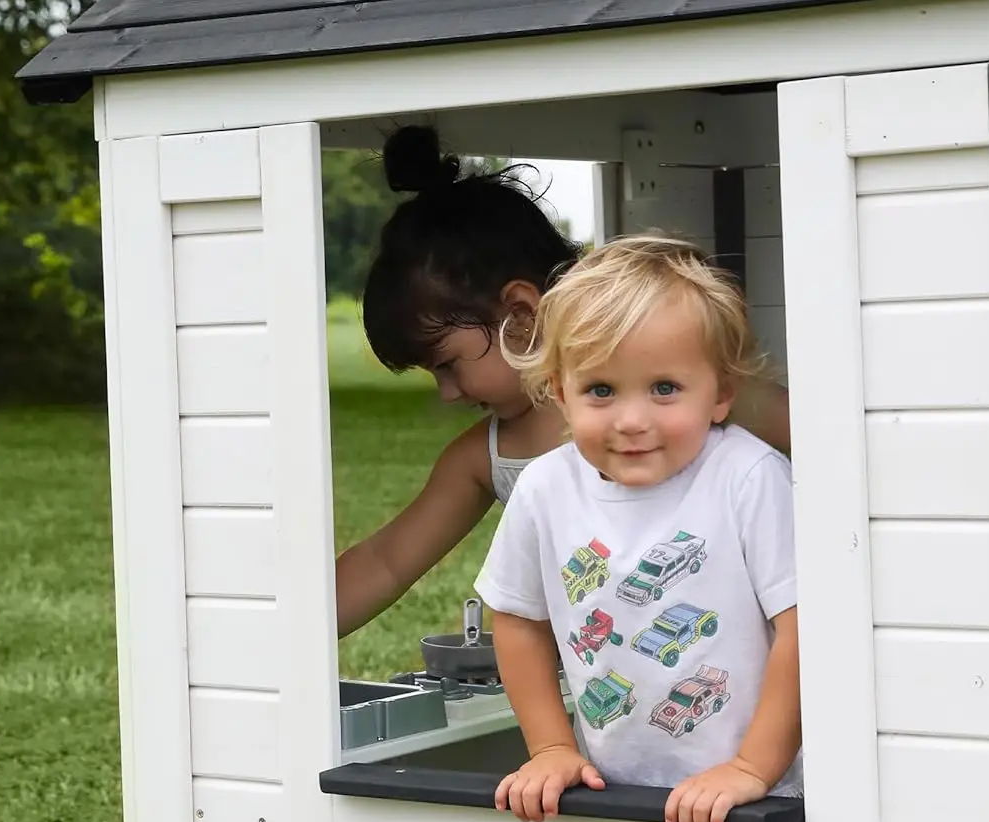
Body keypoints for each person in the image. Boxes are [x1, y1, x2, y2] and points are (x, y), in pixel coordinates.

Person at [334, 128, 791, 638]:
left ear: (521, 315)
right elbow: (386, 561)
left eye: (447, 365)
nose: (447, 392)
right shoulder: (485, 459)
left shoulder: (682, 386)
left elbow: (831, 456)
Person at [478, 236, 801, 822]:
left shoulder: (749, 478)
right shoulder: (545, 488)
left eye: (664, 389)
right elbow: (517, 617)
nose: (632, 420)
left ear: (721, 392)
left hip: (760, 803)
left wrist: (752, 767)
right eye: (601, 390)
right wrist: (550, 747)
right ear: (559, 392)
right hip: (613, 800)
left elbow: (804, 629)